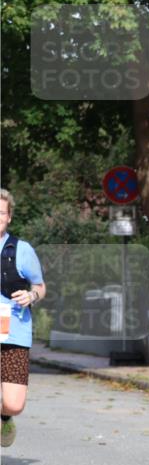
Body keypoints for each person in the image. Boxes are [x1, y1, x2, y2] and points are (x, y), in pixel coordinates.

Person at [0, 188, 46, 448]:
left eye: (1, 213)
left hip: (14, 333)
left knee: (15, 404)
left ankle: (5, 416)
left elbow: (40, 286)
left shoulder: (22, 250)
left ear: (9, 217)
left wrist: (32, 297)